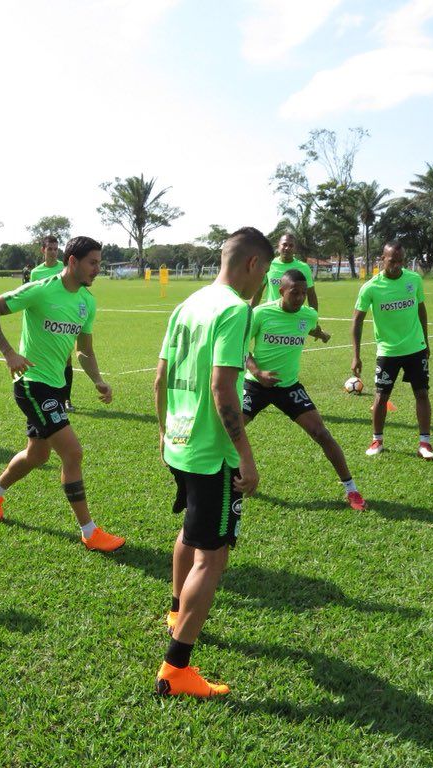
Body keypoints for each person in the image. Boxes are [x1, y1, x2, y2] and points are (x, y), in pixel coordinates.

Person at [152, 226, 273, 698]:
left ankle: (175, 610)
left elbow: (160, 376)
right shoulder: (234, 309)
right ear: (253, 266)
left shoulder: (189, 304)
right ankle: (176, 668)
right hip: (209, 449)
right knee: (214, 555)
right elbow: (225, 390)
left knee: (190, 530)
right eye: (264, 273)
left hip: (179, 441)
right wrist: (245, 456)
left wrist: (163, 429)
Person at [0, 236, 124, 553]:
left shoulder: (87, 302)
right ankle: (89, 531)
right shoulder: (41, 289)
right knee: (72, 453)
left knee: (38, 454)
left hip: (56, 385)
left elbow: (84, 350)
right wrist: (9, 353)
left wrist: (98, 380)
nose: (98, 269)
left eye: (99, 262)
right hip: (32, 383)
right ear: (73, 262)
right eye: (93, 263)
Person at [244, 270, 366, 511]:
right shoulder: (261, 313)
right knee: (229, 430)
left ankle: (351, 489)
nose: (300, 298)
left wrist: (321, 334)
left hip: (288, 387)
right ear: (281, 291)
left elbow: (310, 327)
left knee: (322, 433)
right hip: (256, 385)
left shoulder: (308, 315)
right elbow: (240, 348)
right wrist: (258, 373)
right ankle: (222, 481)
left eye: (303, 293)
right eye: (294, 293)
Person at [351, 242, 433, 459]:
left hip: (415, 348)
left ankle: (425, 444)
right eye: (392, 261)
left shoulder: (414, 280)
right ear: (382, 259)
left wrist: (425, 342)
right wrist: (356, 356)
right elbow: (357, 321)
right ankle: (377, 440)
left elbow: (421, 311)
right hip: (388, 351)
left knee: (422, 393)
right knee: (381, 396)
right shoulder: (370, 287)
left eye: (400, 261)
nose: (396, 265)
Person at [253, 233, 330, 342]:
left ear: (295, 249)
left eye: (291, 245)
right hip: (271, 316)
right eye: (284, 244)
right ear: (278, 246)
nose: (287, 248)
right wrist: (250, 314)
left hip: (293, 316)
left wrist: (314, 321)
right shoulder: (269, 264)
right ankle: (324, 335)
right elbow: (258, 292)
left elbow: (311, 295)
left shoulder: (303, 268)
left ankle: (323, 335)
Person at [30, 235, 75, 411]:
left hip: (63, 320)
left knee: (66, 359)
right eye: (50, 249)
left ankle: (66, 399)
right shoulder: (36, 273)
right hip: (43, 323)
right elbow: (33, 297)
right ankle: (47, 397)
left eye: (56, 249)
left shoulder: (63, 269)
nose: (54, 252)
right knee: (45, 360)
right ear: (43, 250)